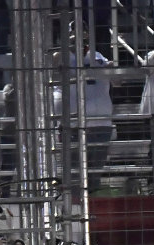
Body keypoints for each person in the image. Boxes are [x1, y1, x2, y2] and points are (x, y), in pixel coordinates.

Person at [52, 26, 113, 194]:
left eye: (81, 33)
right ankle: (74, 208)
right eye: (72, 33)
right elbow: (53, 65)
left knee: (94, 170)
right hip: (71, 123)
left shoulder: (97, 56)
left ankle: (91, 206)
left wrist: (111, 68)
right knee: (73, 170)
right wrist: (68, 47)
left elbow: (117, 80)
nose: (78, 37)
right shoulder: (61, 56)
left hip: (101, 123)